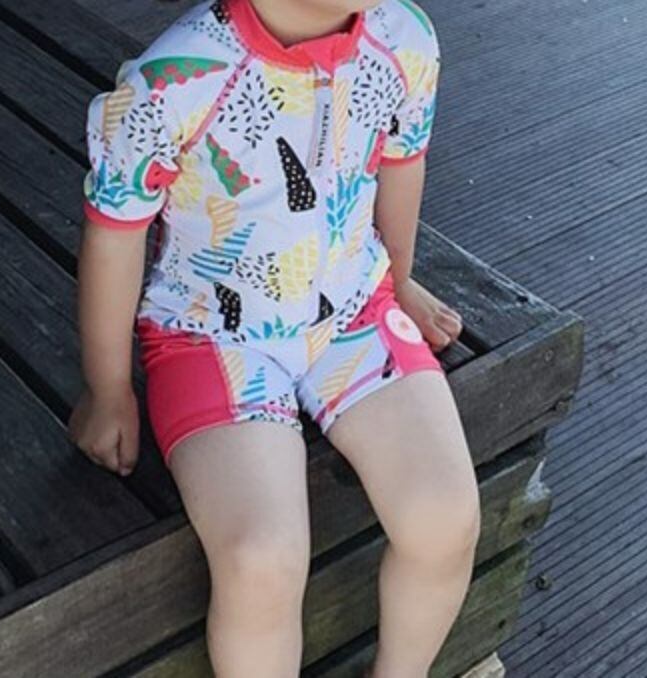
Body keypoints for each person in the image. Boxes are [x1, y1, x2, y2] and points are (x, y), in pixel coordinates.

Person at [67, 0, 479, 675]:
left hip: (354, 309)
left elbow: (401, 161)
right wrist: (108, 388)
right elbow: (115, 233)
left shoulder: (404, 37)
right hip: (211, 338)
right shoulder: (173, 82)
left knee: (448, 514)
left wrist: (399, 281)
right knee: (261, 560)